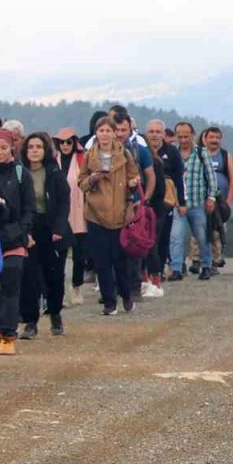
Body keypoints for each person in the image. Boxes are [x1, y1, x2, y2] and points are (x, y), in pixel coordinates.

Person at [79, 116, 140, 315]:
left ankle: (126, 294)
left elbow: (134, 176)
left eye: (108, 131)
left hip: (120, 213)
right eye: (101, 130)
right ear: (96, 133)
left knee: (119, 259)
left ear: (115, 133)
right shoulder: (90, 155)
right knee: (101, 261)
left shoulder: (126, 155)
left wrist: (133, 184)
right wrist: (93, 179)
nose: (104, 134)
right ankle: (108, 301)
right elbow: (81, 182)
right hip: (96, 214)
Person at [0, 128, 35, 354]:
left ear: (12, 147)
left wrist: (21, 232)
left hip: (14, 239)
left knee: (10, 287)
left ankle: (8, 334)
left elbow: (29, 209)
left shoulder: (22, 174)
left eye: (4, 147)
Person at [17, 132, 72, 339]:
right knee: (29, 277)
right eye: (30, 147)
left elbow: (64, 202)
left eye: (38, 147)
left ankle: (55, 313)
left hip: (53, 229)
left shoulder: (54, 173)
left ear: (45, 150)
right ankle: (31, 322)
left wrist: (59, 229)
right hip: (29, 227)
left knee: (54, 276)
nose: (34, 150)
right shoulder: (19, 173)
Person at [170, 122, 218, 281]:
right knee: (176, 237)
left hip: (198, 203)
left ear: (192, 135)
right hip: (178, 204)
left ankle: (206, 265)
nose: (183, 140)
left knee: (202, 236)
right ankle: (176, 268)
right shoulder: (173, 153)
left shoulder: (201, 153)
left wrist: (211, 197)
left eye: (186, 136)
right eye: (180, 136)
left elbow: (211, 177)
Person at [144, 119, 183, 292]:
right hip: (147, 203)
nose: (154, 135)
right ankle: (151, 273)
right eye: (151, 132)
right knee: (149, 240)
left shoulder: (172, 152)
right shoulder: (142, 152)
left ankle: (158, 272)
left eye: (157, 132)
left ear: (163, 134)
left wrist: (182, 202)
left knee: (162, 239)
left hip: (165, 202)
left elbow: (179, 179)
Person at [54, 128, 89, 305]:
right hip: (60, 216)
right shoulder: (53, 162)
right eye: (62, 142)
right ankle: (58, 292)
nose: (65, 145)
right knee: (59, 257)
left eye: (69, 142)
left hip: (79, 212)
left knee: (79, 255)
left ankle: (77, 286)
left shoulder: (83, 160)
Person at [202, 126, 233, 271]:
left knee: (219, 230)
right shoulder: (199, 154)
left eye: (217, 138)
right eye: (211, 137)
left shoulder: (226, 156)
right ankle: (203, 261)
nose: (214, 140)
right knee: (202, 230)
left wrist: (229, 201)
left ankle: (216, 260)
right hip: (202, 200)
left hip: (221, 202)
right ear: (205, 139)